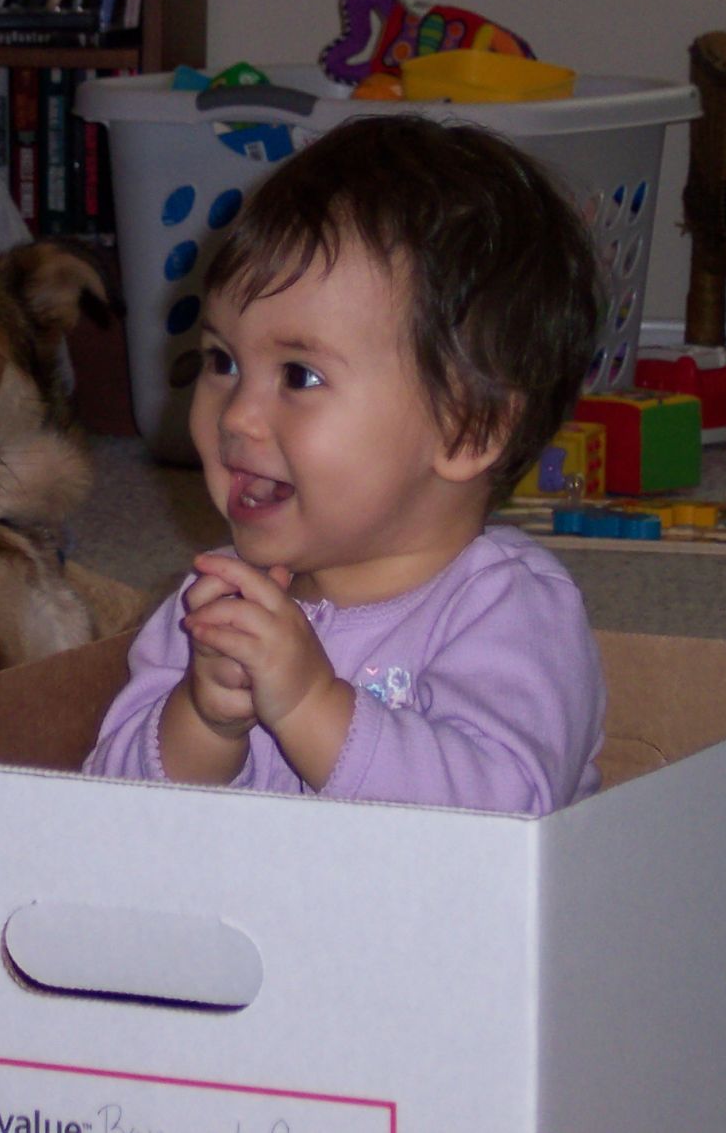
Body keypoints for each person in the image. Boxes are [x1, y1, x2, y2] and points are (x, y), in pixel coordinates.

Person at [83, 113, 607, 812]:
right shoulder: (214, 605)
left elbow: (504, 813)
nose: (236, 415)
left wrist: (311, 704)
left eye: (298, 375)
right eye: (223, 361)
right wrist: (202, 722)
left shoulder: (509, 609)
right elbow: (104, 810)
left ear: (466, 428)